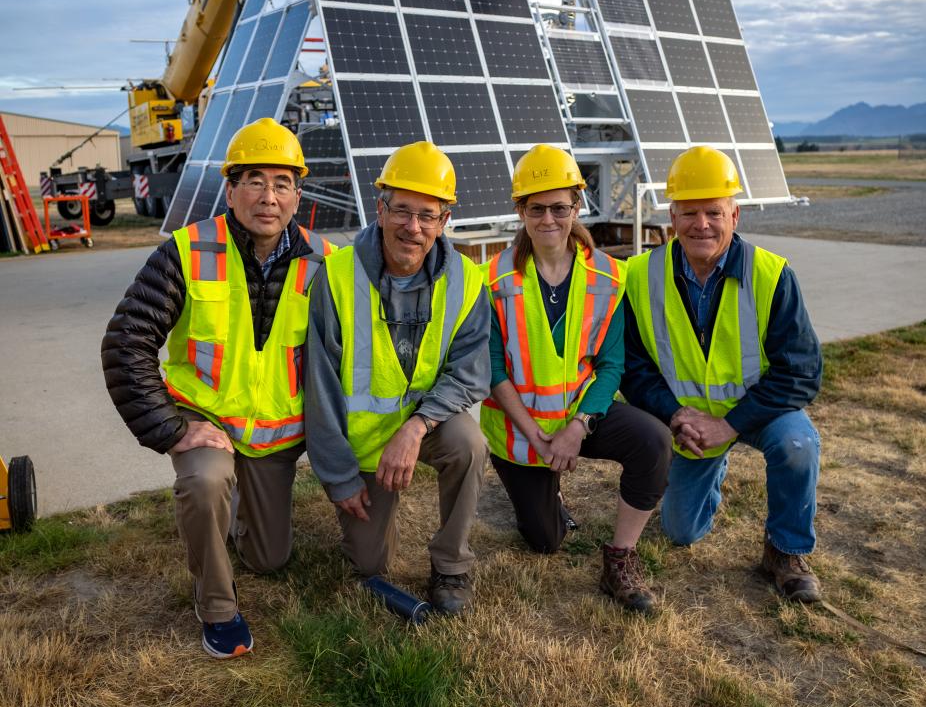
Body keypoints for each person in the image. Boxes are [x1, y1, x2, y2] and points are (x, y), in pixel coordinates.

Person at [101, 118, 334, 657]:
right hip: (207, 426)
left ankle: (235, 525)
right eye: (253, 180)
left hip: (274, 438)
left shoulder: (327, 261)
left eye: (281, 183)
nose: (268, 196)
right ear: (230, 189)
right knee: (204, 484)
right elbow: (125, 344)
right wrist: (172, 429)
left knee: (269, 559)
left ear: (298, 193)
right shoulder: (186, 252)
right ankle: (217, 607)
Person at [621, 144, 823, 602]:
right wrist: (674, 414)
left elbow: (803, 372)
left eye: (714, 212)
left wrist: (729, 425)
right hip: (688, 423)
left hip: (757, 413)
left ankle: (785, 552)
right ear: (671, 217)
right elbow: (633, 368)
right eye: (689, 212)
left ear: (735, 215)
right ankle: (711, 467)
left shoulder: (772, 275)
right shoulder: (638, 276)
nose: (702, 224)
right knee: (680, 532)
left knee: (798, 444)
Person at [481, 144, 673, 613]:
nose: (549, 219)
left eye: (560, 207)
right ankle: (547, 496)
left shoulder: (609, 276)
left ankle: (620, 557)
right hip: (520, 431)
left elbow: (611, 366)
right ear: (520, 210)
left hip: (581, 420)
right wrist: (537, 436)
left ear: (577, 207)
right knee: (545, 540)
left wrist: (577, 427)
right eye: (537, 208)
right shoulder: (491, 279)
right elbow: (492, 369)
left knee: (653, 440)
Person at [305, 141, 490, 615]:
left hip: (423, 428)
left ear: (445, 221)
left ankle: (452, 565)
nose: (413, 227)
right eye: (402, 211)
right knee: (370, 565)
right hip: (363, 446)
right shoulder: (338, 275)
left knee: (469, 442)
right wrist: (341, 478)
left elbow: (470, 372)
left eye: (428, 215)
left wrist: (416, 426)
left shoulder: (468, 281)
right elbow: (320, 388)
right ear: (380, 208)